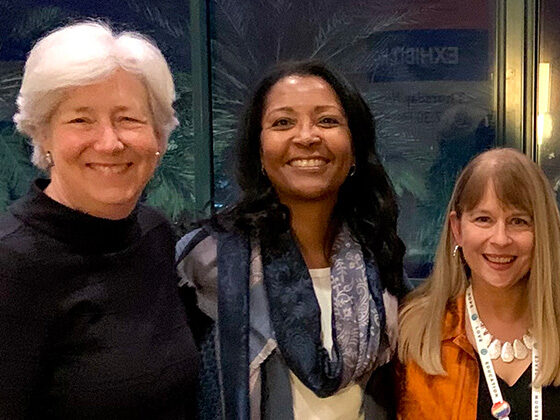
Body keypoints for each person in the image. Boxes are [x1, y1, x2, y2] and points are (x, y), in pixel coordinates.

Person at [176, 60, 408, 419]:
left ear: (355, 148)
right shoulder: (207, 262)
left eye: (327, 121)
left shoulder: (381, 262)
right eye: (283, 122)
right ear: (259, 149)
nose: (306, 136)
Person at [0, 21, 198, 418]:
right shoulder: (10, 263)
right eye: (81, 120)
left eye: (129, 119)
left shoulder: (154, 235)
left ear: (159, 137)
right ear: (42, 136)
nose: (109, 142)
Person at [397, 148, 560, 419]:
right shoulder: (417, 334)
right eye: (483, 219)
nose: (500, 239)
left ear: (542, 230)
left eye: (518, 221)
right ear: (457, 229)